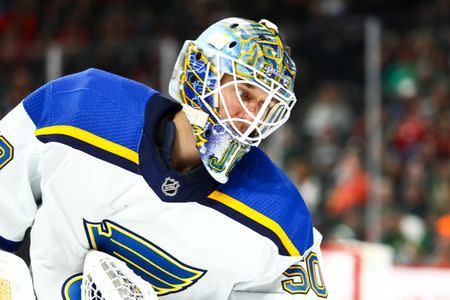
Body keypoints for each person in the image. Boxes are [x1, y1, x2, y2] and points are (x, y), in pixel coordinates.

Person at [0, 17, 327, 299]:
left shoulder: (282, 219)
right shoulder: (83, 108)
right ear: (201, 74)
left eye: (266, 107)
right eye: (244, 94)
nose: (252, 118)